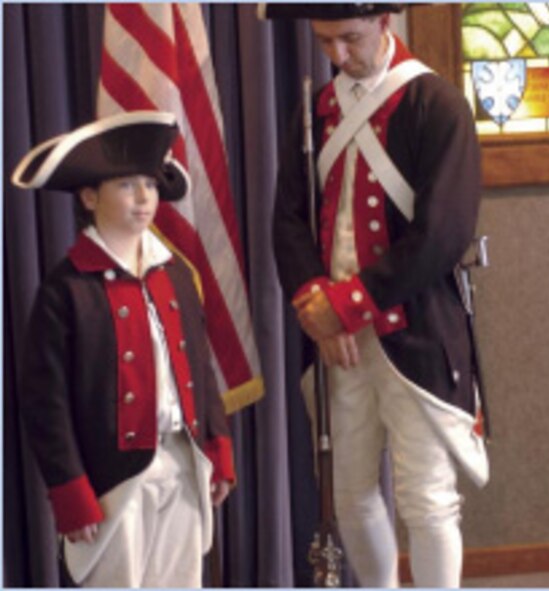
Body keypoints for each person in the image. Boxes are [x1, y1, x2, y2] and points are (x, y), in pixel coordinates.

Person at [268, 4, 489, 588]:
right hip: (336, 339)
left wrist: (348, 304)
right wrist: (318, 301)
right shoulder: (317, 110)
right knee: (352, 492)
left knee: (428, 498)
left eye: (349, 38)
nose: (337, 55)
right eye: (324, 42)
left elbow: (443, 232)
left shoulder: (435, 104)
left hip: (414, 328)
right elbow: (288, 219)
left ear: (385, 22)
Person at [11, 111, 235, 588]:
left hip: (182, 460)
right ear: (90, 197)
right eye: (126, 185)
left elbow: (199, 367)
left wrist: (217, 445)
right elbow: (45, 404)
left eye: (150, 185)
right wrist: (70, 490)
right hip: (111, 479)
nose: (143, 198)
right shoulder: (66, 288)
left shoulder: (174, 273)